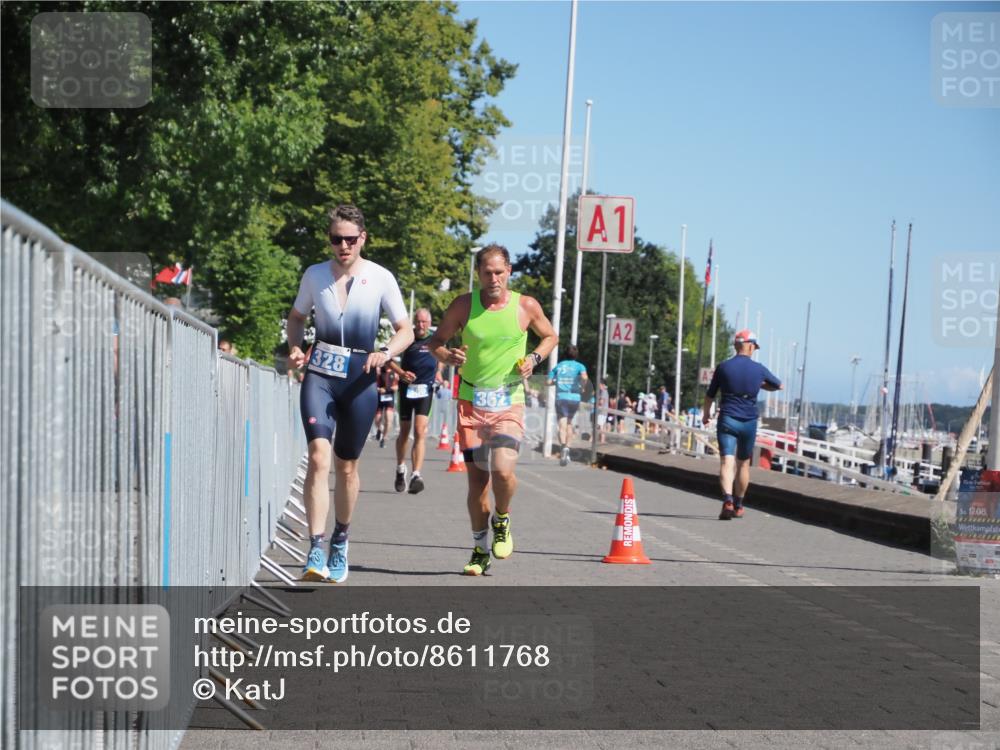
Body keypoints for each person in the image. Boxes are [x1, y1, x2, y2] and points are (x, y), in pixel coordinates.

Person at [286, 204, 413, 582]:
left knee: (346, 466)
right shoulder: (314, 275)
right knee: (317, 457)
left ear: (363, 239)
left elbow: (405, 329)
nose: (342, 246)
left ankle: (340, 540)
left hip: (360, 378)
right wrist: (295, 347)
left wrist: (386, 352)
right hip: (320, 375)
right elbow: (296, 318)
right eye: (335, 239)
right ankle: (314, 546)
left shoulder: (381, 277)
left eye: (350, 239)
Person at [429, 244, 557, 576]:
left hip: (508, 402)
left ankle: (502, 517)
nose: (494, 278)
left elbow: (550, 337)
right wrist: (448, 355)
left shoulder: (525, 306)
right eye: (487, 272)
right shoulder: (463, 305)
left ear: (509, 272)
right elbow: (436, 342)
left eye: (499, 272)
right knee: (477, 483)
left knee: (503, 470)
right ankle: (479, 549)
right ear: (479, 274)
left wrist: (533, 359)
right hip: (471, 404)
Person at [701, 330, 782, 520]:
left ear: (736, 345)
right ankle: (738, 504)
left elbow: (710, 395)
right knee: (743, 463)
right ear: (750, 345)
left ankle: (727, 500)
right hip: (749, 421)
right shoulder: (759, 369)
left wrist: (706, 415)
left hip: (728, 417)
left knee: (726, 461)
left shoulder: (723, 367)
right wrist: (761, 385)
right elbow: (779, 385)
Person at [389, 308, 445, 494]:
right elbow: (386, 358)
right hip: (406, 389)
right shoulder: (407, 338)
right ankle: (400, 469)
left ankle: (416, 474)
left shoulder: (435, 339)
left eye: (424, 322)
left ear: (429, 323)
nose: (421, 325)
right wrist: (401, 373)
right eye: (418, 322)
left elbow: (443, 356)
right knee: (404, 431)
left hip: (425, 389)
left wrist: (438, 371)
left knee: (420, 430)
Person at [547, 345, 588, 466]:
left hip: (561, 397)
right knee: (569, 423)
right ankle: (568, 450)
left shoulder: (558, 366)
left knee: (562, 425)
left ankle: (563, 447)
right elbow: (585, 377)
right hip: (574, 397)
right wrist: (582, 387)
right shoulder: (580, 366)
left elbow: (548, 381)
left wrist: (556, 381)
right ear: (576, 355)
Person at [374, 364, 398, 447]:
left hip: (389, 398)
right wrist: (379, 389)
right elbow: (374, 385)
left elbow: (396, 387)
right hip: (380, 398)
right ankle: (380, 430)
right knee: (377, 419)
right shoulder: (379, 371)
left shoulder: (395, 373)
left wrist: (387, 389)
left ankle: (384, 438)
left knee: (388, 419)